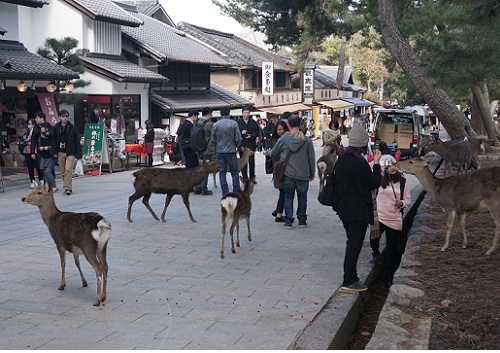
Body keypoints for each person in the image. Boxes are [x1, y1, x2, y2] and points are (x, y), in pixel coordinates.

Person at [333, 119, 382, 292]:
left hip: (343, 208)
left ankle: (351, 276)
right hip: (357, 210)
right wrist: (376, 163)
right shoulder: (360, 163)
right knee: (354, 244)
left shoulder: (343, 158)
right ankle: (349, 279)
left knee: (351, 242)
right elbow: (375, 182)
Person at [268, 114, 315, 229]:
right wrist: (312, 173)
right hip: (303, 174)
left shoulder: (284, 139)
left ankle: (288, 220)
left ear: (288, 124)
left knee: (288, 197)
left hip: (288, 174)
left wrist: (268, 152)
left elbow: (273, 153)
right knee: (302, 198)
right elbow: (311, 158)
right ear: (300, 124)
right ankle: (302, 220)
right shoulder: (307, 140)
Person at [370, 155, 411, 287]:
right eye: (388, 166)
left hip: (394, 218)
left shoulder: (403, 181)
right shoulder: (379, 180)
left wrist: (402, 203)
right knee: (373, 238)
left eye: (393, 165)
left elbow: (408, 199)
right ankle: (375, 252)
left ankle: (388, 276)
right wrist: (376, 161)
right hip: (380, 217)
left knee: (392, 248)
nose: (392, 168)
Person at [210, 106, 242, 196]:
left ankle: (225, 193)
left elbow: (213, 139)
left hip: (220, 151)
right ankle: (236, 191)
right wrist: (236, 145)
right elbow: (239, 138)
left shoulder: (216, 124)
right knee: (235, 172)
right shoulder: (234, 123)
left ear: (220, 114)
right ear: (229, 113)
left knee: (222, 172)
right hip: (231, 150)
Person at [53, 110, 82, 195]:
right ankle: (66, 186)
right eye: (63, 116)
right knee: (63, 171)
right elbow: (54, 140)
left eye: (66, 116)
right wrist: (54, 152)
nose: (65, 118)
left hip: (70, 152)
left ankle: (68, 188)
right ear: (59, 117)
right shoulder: (56, 128)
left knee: (68, 170)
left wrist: (78, 154)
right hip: (60, 151)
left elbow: (77, 140)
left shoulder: (73, 127)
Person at [268, 120, 289, 222]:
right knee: (284, 191)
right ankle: (279, 214)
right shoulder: (276, 140)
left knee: (282, 191)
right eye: (279, 129)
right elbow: (274, 154)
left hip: (281, 168)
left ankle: (278, 211)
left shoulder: (285, 139)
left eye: (283, 130)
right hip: (280, 168)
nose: (281, 131)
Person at [194, 107, 215, 195]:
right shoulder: (209, 125)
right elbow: (213, 138)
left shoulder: (196, 123)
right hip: (207, 150)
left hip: (197, 149)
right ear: (209, 114)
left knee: (198, 168)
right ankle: (204, 188)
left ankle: (197, 187)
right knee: (206, 169)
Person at [237, 106, 259, 184]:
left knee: (252, 162)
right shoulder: (238, 122)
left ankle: (252, 177)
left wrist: (252, 135)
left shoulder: (253, 122)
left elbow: (257, 132)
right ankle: (245, 177)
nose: (246, 114)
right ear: (242, 113)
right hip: (242, 145)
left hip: (251, 145)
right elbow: (235, 134)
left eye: (248, 113)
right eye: (245, 113)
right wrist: (241, 133)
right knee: (243, 162)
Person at [21, 118, 43, 188]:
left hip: (36, 150)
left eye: (31, 124)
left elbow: (38, 141)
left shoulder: (37, 131)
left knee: (37, 166)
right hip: (28, 150)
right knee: (30, 167)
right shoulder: (27, 131)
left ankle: (41, 179)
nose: (29, 125)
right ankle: (32, 180)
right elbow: (24, 139)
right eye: (29, 124)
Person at [38, 122, 57, 192]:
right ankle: (48, 185)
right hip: (43, 155)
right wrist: (40, 148)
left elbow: (55, 145)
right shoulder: (41, 136)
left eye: (42, 127)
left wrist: (48, 148)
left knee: (48, 171)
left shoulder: (52, 135)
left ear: (47, 128)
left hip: (51, 155)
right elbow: (39, 144)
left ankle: (54, 185)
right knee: (43, 170)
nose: (41, 129)